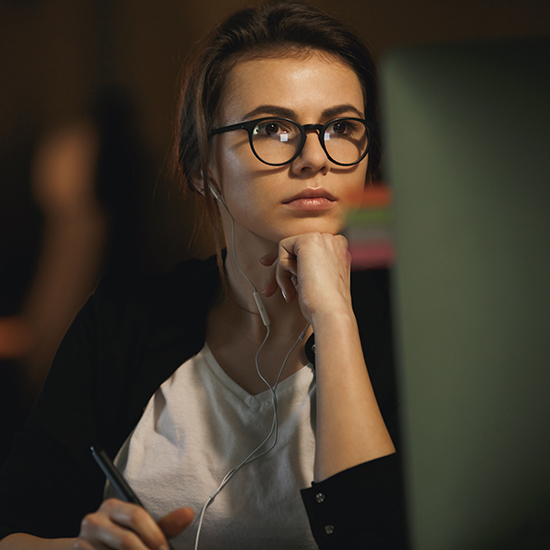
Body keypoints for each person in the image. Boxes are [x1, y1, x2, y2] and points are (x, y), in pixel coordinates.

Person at [0, 1, 406, 548]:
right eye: (272, 128)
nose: (315, 157)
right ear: (202, 167)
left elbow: (379, 536)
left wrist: (334, 318)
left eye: (341, 127)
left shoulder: (414, 326)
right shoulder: (122, 321)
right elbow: (15, 525)